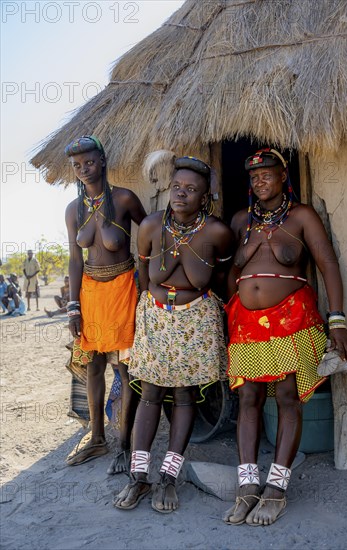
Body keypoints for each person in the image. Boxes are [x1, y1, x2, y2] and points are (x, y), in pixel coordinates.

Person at [223, 148, 347, 526]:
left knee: (286, 395)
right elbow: (229, 271)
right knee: (247, 396)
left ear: (284, 177)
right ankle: (247, 486)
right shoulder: (241, 222)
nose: (259, 181)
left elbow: (328, 263)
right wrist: (231, 306)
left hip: (290, 319)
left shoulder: (301, 216)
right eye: (254, 177)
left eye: (267, 174)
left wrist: (337, 319)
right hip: (246, 324)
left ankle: (277, 489)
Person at [113, 154, 233, 513]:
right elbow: (142, 273)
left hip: (196, 320)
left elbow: (224, 279)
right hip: (156, 318)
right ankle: (139, 477)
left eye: (191, 189)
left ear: (204, 197)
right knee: (150, 393)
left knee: (184, 396)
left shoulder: (217, 232)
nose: (181, 194)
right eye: (176, 186)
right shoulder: (150, 226)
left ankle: (168, 477)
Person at [64, 135, 147, 472]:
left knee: (124, 368)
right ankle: (98, 437)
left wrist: (149, 274)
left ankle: (125, 445)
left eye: (89, 162)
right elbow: (74, 258)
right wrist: (73, 305)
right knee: (94, 365)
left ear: (102, 161)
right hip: (89, 293)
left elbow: (154, 228)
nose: (84, 169)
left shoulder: (124, 198)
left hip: (123, 288)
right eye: (77, 165)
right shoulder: (73, 210)